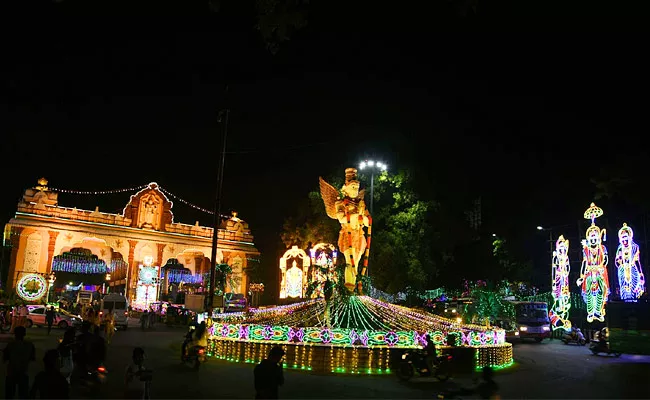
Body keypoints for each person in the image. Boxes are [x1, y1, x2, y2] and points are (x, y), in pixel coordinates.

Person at [3, 326, 36, 399]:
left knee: (9, 395)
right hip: (23, 372)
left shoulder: (11, 345)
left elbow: (5, 358)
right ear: (24, 334)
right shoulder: (30, 345)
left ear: (15, 334)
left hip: (11, 373)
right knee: (23, 395)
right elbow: (32, 358)